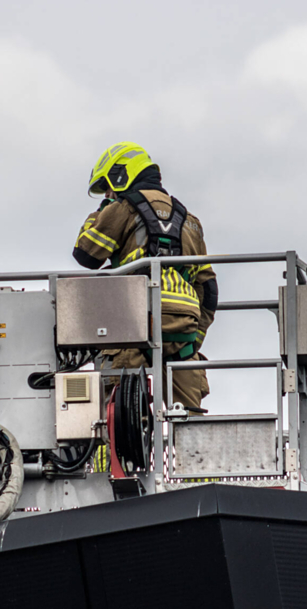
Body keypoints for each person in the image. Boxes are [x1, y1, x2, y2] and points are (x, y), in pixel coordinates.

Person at [72, 142, 218, 411]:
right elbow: (208, 289)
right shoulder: (190, 220)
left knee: (116, 415)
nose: (108, 193)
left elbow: (86, 254)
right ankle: (191, 434)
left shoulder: (122, 208)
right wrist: (194, 338)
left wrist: (100, 212)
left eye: (107, 186)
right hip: (182, 331)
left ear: (121, 175)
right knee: (190, 422)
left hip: (133, 323)